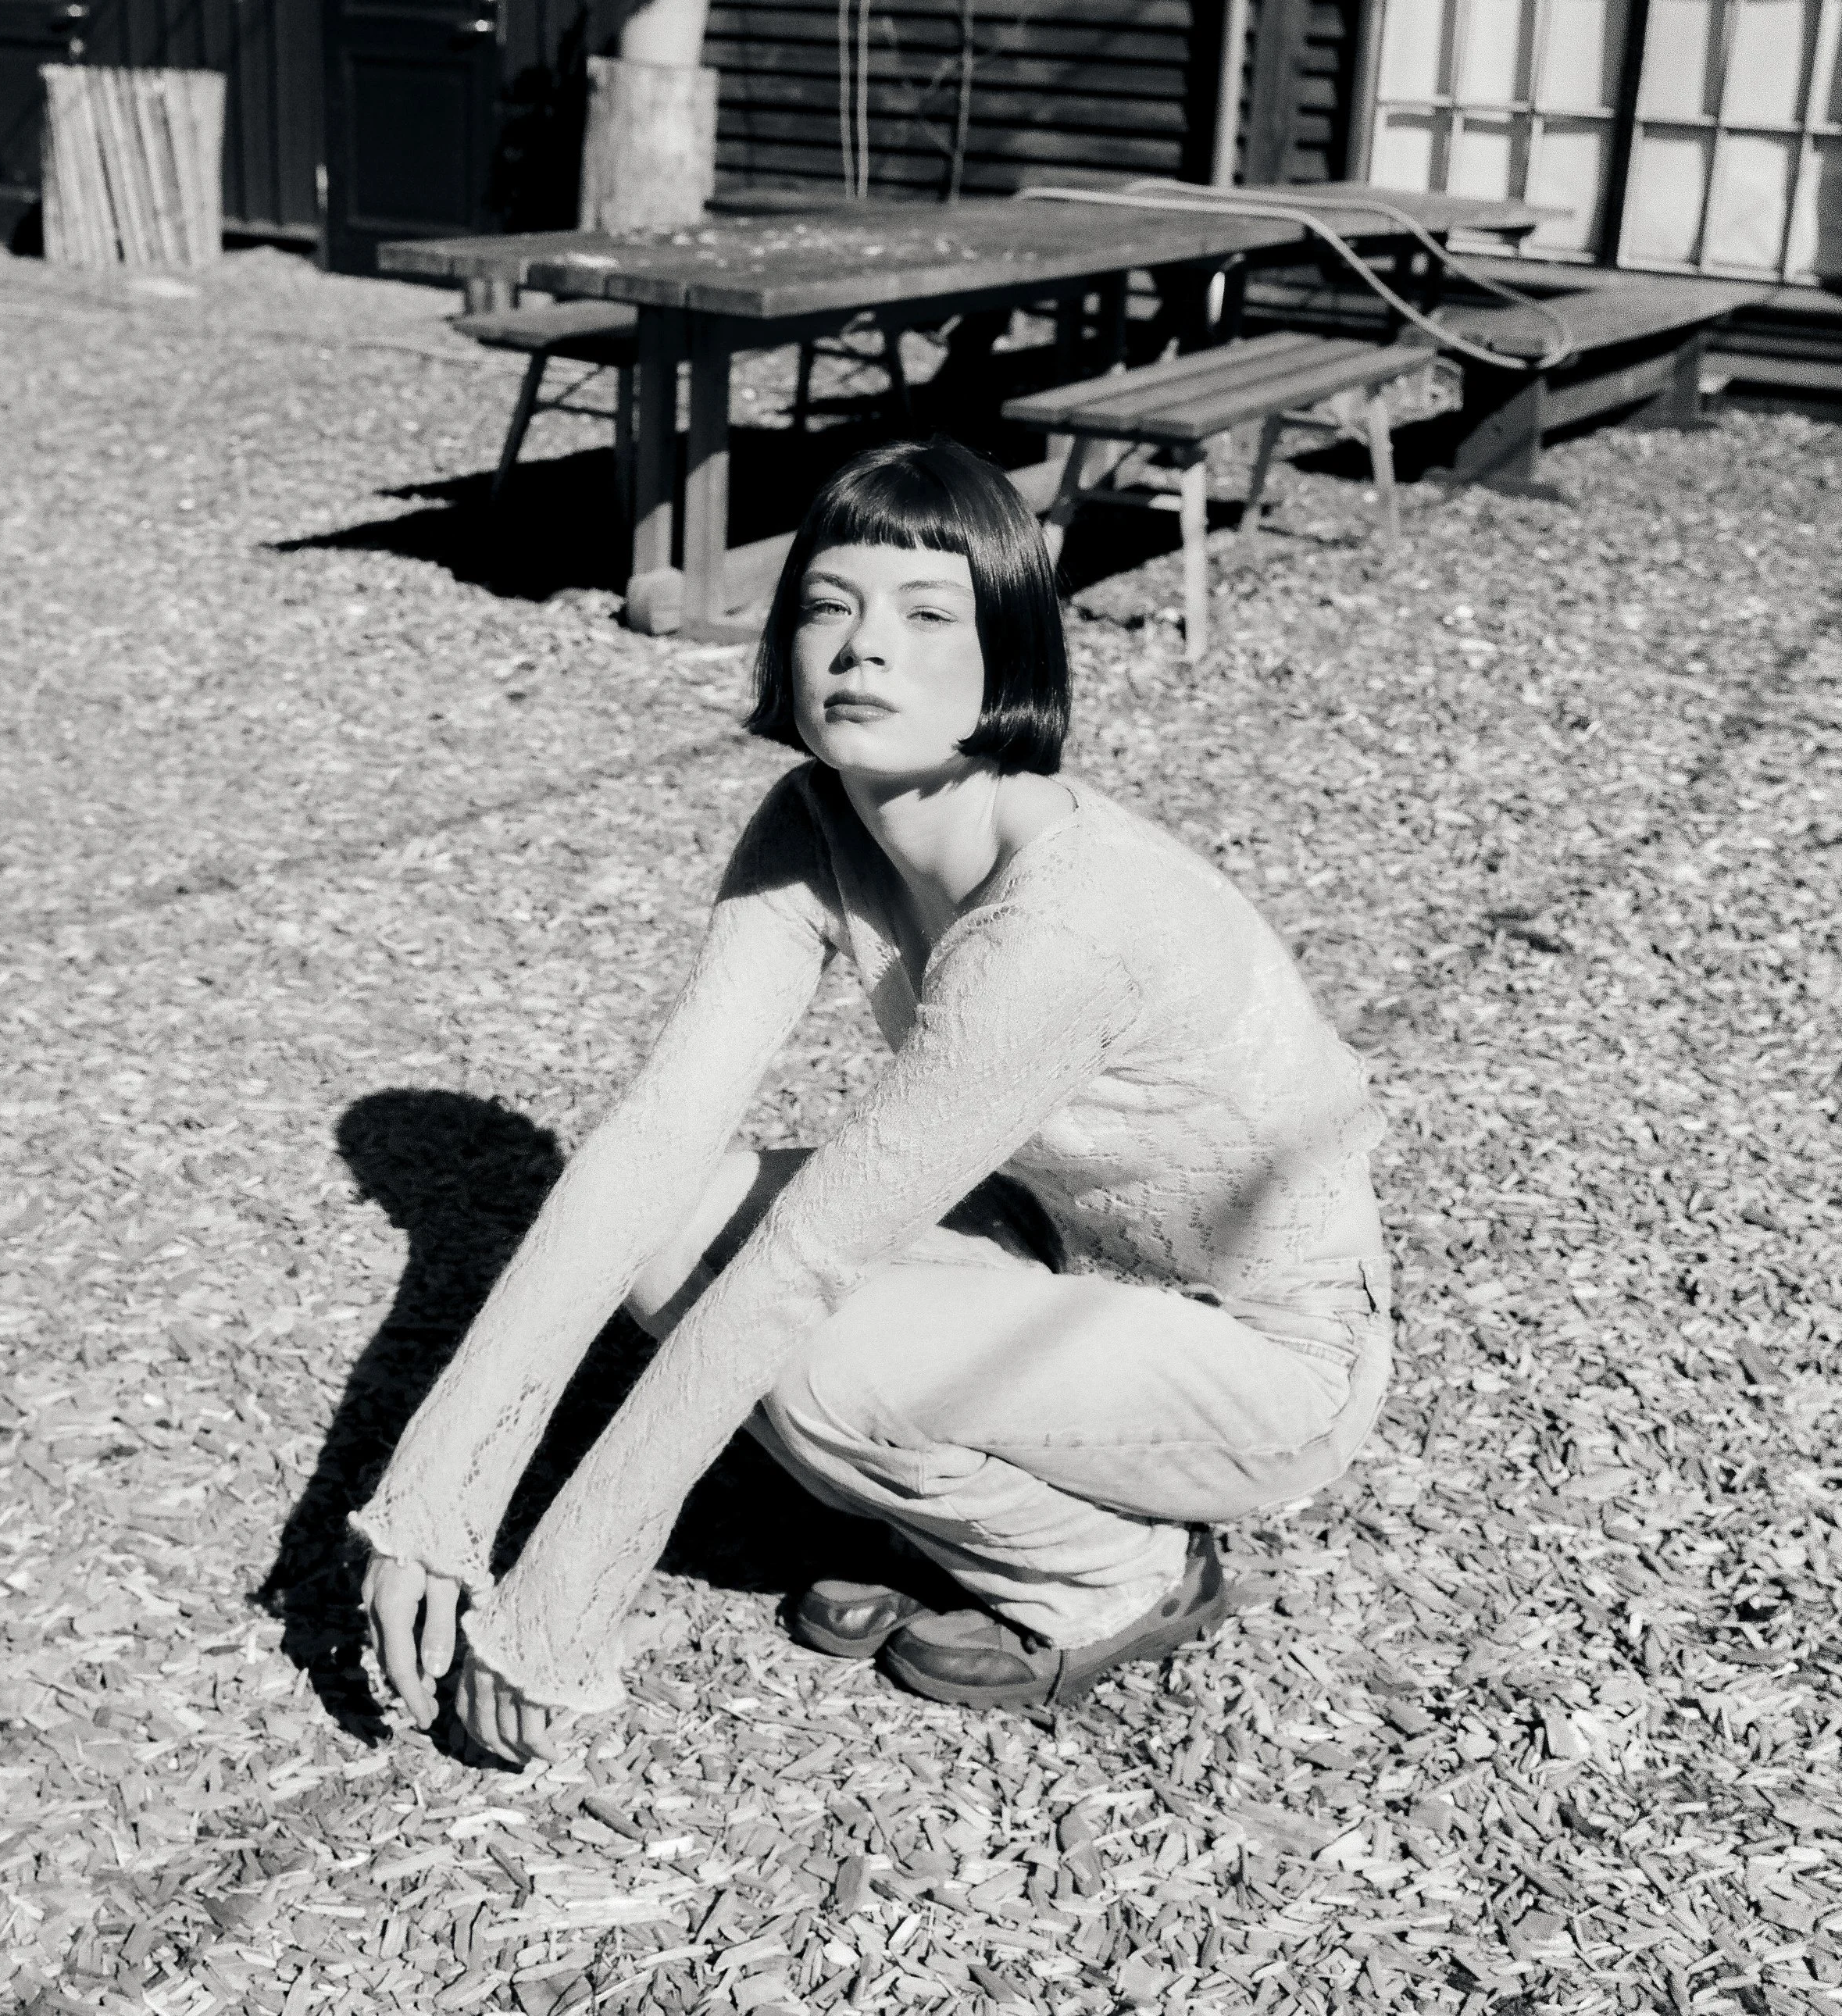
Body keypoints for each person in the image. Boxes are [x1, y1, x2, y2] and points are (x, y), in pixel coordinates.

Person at [357, 437, 1390, 1758]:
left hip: (1266, 1359)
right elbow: (651, 1140)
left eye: (924, 616)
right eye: (828, 609)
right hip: (1061, 1254)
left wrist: (562, 1607)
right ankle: (953, 1497)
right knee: (678, 1218)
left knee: (817, 1351)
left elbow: (807, 1264)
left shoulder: (1068, 924)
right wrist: (431, 1501)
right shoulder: (816, 821)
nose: (862, 651)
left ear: (1008, 655)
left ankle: (1110, 1574)